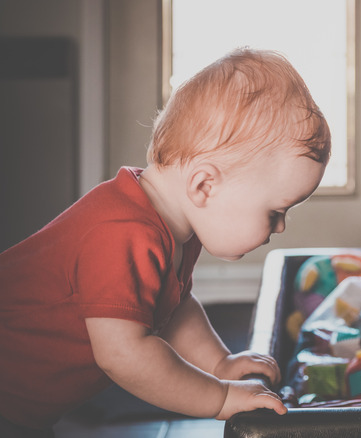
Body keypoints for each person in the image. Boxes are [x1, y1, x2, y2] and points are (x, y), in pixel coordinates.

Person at [0, 47, 330, 436]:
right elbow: (124, 354)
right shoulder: (121, 231)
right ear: (204, 185)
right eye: (275, 211)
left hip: (26, 407)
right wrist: (220, 396)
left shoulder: (173, 231)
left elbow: (173, 308)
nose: (280, 227)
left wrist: (220, 364)